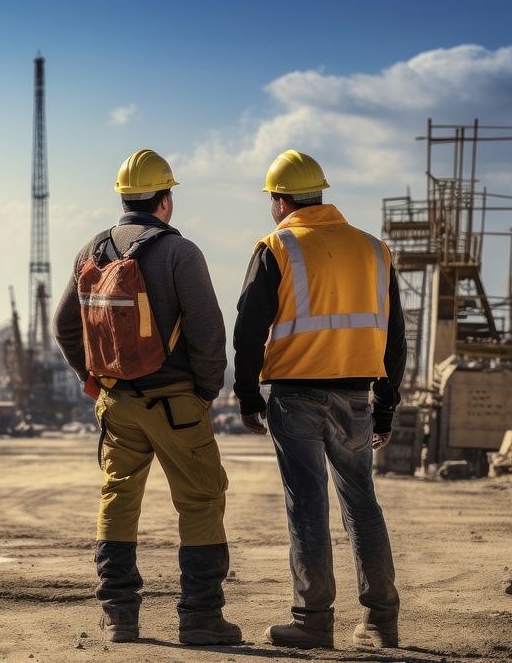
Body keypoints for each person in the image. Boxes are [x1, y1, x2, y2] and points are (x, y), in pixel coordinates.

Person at [54, 149, 239, 645]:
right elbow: (208, 332)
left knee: (119, 497)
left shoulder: (90, 251)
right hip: (176, 401)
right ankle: (201, 618)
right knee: (200, 501)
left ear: (122, 197)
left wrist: (90, 378)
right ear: (166, 199)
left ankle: (120, 616)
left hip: (117, 403)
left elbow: (63, 326)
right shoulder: (180, 253)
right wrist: (205, 391)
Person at [233, 150, 406, 649]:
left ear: (280, 200)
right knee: (361, 504)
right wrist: (386, 406)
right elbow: (396, 340)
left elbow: (248, 330)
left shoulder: (277, 246)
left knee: (307, 506)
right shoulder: (374, 249)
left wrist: (248, 397)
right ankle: (381, 622)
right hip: (356, 397)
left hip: (296, 397)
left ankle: (312, 622)